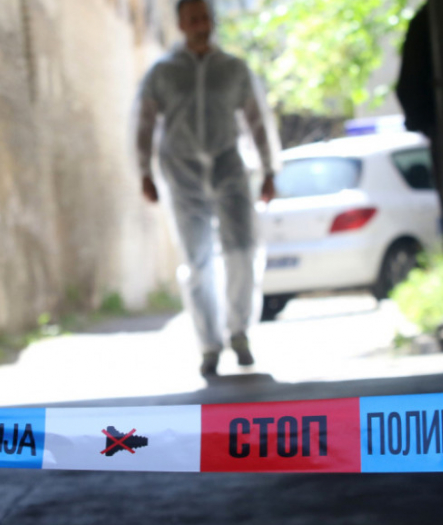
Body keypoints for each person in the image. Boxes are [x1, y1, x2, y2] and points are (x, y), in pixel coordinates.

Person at [135, 0, 280, 377]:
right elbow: (144, 124)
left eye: (206, 18)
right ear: (181, 23)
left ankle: (239, 332)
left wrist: (269, 170)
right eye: (194, 18)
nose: (202, 25)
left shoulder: (233, 69)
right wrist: (144, 172)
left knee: (242, 250)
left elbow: (257, 121)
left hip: (229, 168)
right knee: (196, 260)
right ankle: (209, 345)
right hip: (181, 174)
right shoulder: (163, 72)